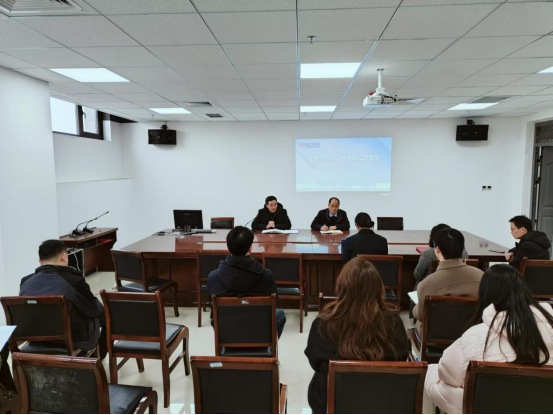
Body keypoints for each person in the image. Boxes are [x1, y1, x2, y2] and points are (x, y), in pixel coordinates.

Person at [425, 265, 553, 414]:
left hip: (487, 406)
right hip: (541, 405)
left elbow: (446, 373)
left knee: (434, 376)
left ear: (486, 295)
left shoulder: (475, 336)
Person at [305, 257, 409, 414]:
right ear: (378, 288)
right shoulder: (395, 323)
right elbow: (401, 358)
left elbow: (314, 363)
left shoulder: (322, 323)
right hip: (383, 404)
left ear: (342, 287)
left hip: (331, 405)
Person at [20, 240, 106, 357]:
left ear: (40, 261)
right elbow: (93, 310)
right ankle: (98, 357)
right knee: (104, 315)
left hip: (36, 338)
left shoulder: (25, 282)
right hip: (71, 339)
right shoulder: (74, 281)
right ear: (64, 257)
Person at [208, 226, 286, 338]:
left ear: (228, 247)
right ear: (250, 248)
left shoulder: (213, 277)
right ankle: (267, 345)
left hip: (229, 333)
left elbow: (213, 316)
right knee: (280, 314)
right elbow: (274, 307)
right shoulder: (266, 275)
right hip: (259, 331)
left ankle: (227, 345)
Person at [413, 228, 483, 334]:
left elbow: (420, 315)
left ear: (437, 249)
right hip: (470, 334)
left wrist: (415, 308)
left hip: (435, 338)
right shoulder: (481, 276)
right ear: (462, 249)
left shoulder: (426, 284)